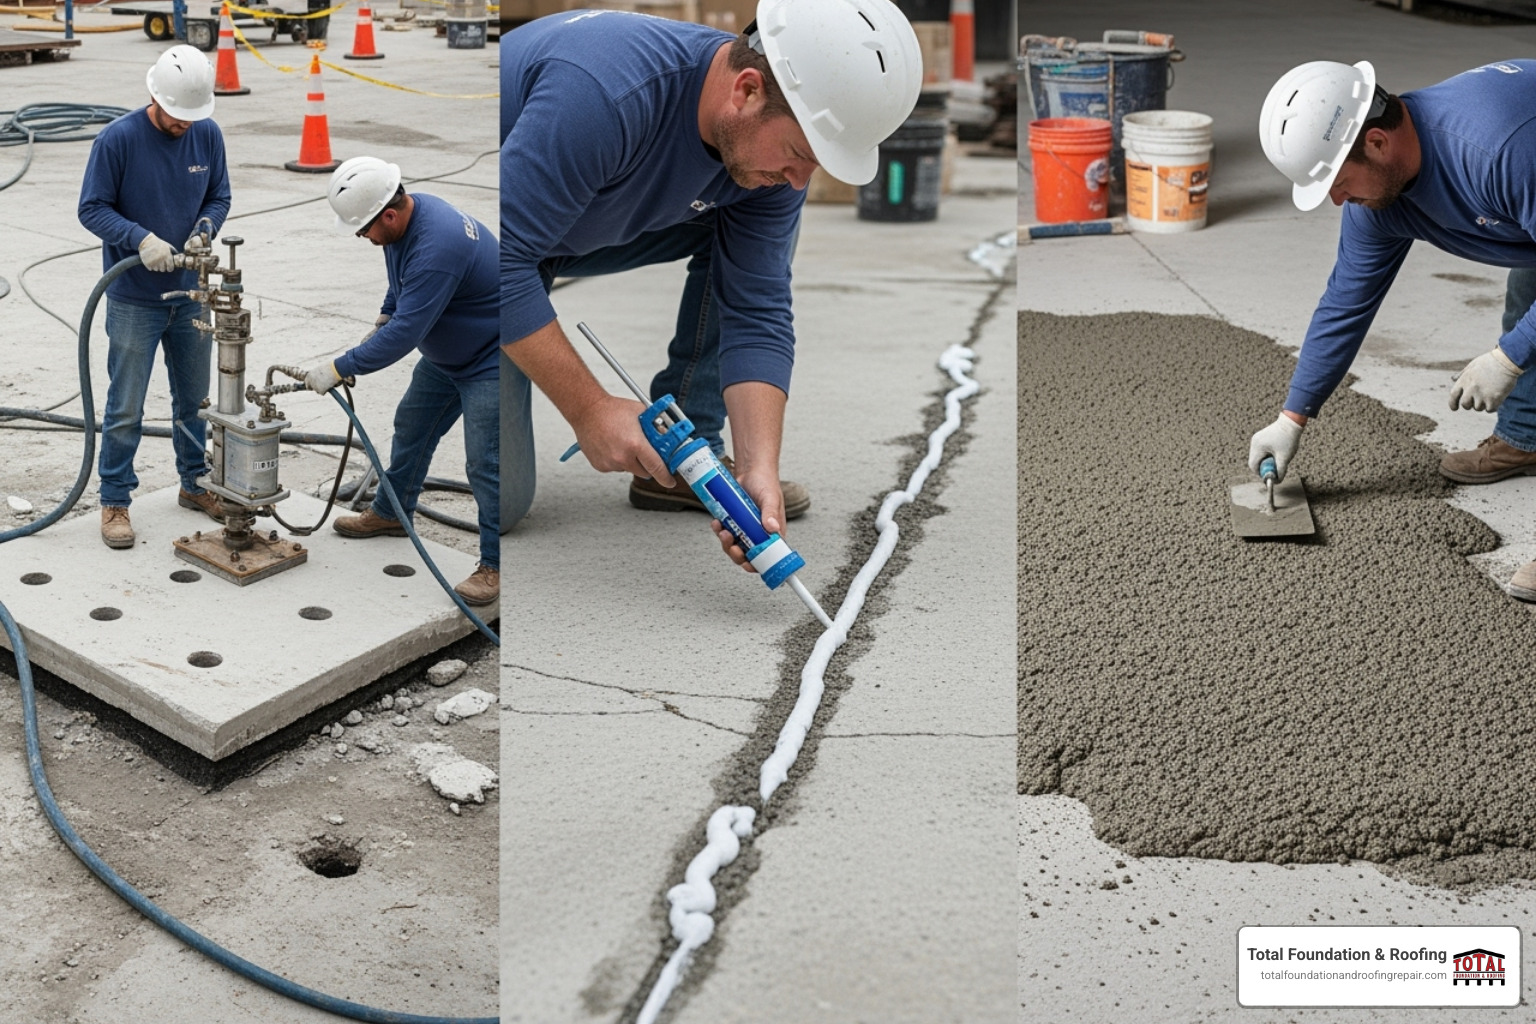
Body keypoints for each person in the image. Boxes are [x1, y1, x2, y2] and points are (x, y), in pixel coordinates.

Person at [499, 0, 921, 569]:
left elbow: (758, 304)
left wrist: (757, 469)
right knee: (501, 507)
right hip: (488, 240)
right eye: (799, 153)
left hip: (585, 221)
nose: (799, 180)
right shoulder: (603, 94)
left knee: (747, 236)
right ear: (746, 91)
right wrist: (591, 408)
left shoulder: (769, 161)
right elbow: (498, 262)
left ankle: (683, 456)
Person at [1250, 58, 1536, 601]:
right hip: (1528, 207)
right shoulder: (1377, 203)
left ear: (1377, 143)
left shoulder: (1499, 151)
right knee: (1531, 284)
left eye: (1336, 183)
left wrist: (1509, 357)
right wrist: (1293, 416)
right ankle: (1526, 440)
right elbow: (1344, 305)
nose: (1336, 200)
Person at [303, 157, 500, 607]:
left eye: (363, 230)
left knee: (485, 464)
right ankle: (392, 513)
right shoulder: (410, 216)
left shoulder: (438, 246)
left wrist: (340, 366)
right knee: (411, 426)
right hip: (448, 358)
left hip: (491, 358)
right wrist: (383, 314)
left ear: (388, 215)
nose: (363, 238)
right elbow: (401, 282)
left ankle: (495, 565)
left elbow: (406, 335)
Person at [78, 44, 231, 550]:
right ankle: (116, 499)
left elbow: (219, 194)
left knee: (195, 402)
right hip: (133, 299)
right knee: (126, 408)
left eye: (192, 116)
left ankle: (195, 483)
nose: (184, 124)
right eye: (176, 115)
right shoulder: (117, 140)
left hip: (190, 295)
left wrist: (204, 229)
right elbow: (92, 208)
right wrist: (139, 238)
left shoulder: (206, 133)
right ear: (154, 96)